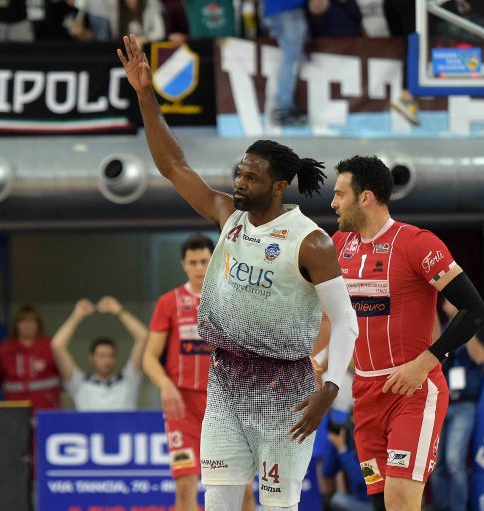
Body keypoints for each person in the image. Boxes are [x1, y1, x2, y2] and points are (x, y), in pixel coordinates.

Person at [118, 33, 359, 511]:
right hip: (226, 380)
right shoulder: (227, 215)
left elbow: (345, 320)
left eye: (251, 177)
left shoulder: (310, 241)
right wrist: (145, 95)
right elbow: (173, 165)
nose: (239, 183)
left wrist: (330, 389)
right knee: (219, 500)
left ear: (279, 185)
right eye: (239, 174)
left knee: (277, 506)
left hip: (285, 389)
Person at [325, 155, 484, 510]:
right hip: (365, 394)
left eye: (340, 194)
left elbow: (475, 312)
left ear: (365, 197)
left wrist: (425, 362)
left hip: (412, 391)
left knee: (400, 501)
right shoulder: (339, 244)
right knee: (380, 502)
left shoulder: (418, 243)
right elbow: (321, 310)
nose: (333, 203)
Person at [144, 233, 255, 511]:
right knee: (185, 485)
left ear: (213, 261)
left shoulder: (233, 299)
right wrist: (165, 385)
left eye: (204, 261)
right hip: (182, 407)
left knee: (241, 488)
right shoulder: (168, 302)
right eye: (192, 262)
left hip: (226, 405)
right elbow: (149, 358)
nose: (198, 268)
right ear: (183, 265)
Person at [429, 298, 484, 511]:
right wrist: (449, 330)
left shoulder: (477, 327)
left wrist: (464, 325)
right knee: (435, 464)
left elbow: (481, 357)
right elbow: (436, 361)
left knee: (454, 461)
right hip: (440, 401)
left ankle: (458, 507)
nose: (451, 304)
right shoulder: (442, 330)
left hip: (464, 403)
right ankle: (440, 507)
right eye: (448, 301)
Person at [51, 296, 147, 411]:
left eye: (111, 355)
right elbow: (57, 345)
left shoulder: (129, 380)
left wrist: (119, 311)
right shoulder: (79, 383)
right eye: (101, 356)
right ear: (91, 358)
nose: (107, 360)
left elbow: (143, 337)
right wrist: (77, 315)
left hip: (125, 423)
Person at [0, 305, 61, 413]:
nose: (27, 325)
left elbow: (62, 375)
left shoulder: (50, 346)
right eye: (23, 321)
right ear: (16, 325)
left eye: (31, 321)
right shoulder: (4, 349)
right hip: (15, 407)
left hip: (46, 406)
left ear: (38, 324)